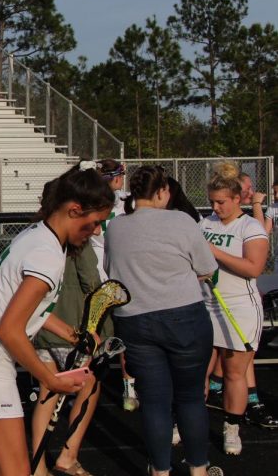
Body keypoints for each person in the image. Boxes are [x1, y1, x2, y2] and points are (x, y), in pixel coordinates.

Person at [0, 160, 113, 476]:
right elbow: (9, 329)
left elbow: (26, 310)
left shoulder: (40, 236)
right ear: (74, 210)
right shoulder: (47, 254)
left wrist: (76, 336)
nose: (95, 232)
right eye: (93, 223)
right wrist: (50, 379)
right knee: (17, 471)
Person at [105, 165, 220, 476]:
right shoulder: (181, 220)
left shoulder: (116, 227)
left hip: (135, 320)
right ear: (161, 192)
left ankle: (160, 471)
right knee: (191, 398)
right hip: (184, 316)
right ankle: (198, 469)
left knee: (155, 403)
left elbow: (111, 271)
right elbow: (207, 267)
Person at [202, 162, 270, 454]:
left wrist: (214, 253)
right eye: (212, 202)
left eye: (221, 202)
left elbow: (254, 268)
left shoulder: (250, 226)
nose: (215, 208)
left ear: (237, 199)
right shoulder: (205, 224)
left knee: (233, 374)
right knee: (195, 373)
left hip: (239, 308)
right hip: (205, 306)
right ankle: (186, 424)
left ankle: (232, 428)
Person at [30, 238, 112, 476]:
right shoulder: (78, 242)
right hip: (73, 327)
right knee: (89, 387)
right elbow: (92, 283)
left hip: (42, 326)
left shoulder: (34, 239)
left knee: (47, 393)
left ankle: (38, 465)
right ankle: (68, 455)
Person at [87, 159, 138, 412]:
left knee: (96, 335)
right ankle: (126, 386)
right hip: (117, 278)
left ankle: (92, 384)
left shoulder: (92, 199)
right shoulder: (127, 203)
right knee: (121, 336)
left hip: (99, 279)